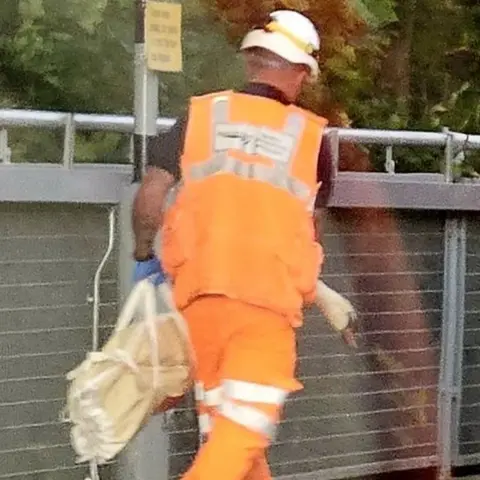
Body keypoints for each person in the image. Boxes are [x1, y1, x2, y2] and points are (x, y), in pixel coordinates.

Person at [131, 9, 355, 480]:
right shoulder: (310, 138)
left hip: (199, 307)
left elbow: (152, 192)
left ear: (253, 60)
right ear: (300, 71)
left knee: (233, 443)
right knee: (241, 439)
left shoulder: (201, 114)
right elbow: (298, 233)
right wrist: (320, 293)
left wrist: (143, 258)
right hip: (264, 312)